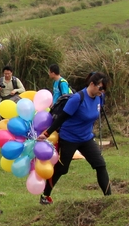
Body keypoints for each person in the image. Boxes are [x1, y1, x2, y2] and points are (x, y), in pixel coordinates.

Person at [41, 72, 112, 205]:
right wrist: (46, 133)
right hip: (69, 138)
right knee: (62, 169)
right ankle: (45, 195)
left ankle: (109, 199)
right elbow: (62, 118)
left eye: (104, 89)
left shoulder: (100, 97)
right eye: (101, 88)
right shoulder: (77, 98)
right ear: (92, 84)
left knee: (100, 165)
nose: (102, 91)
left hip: (86, 138)